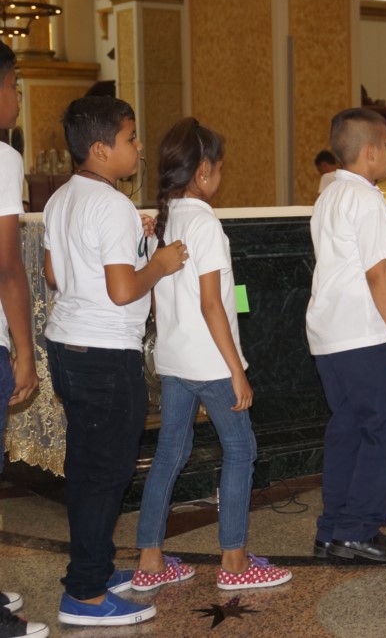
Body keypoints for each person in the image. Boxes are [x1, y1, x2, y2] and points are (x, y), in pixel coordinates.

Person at [43, 96, 188, 626]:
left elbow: (55, 273)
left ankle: (96, 569)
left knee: (88, 467)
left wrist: (132, 243)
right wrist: (161, 262)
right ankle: (84, 595)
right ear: (102, 150)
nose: (139, 146)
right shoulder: (111, 205)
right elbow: (123, 290)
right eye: (130, 138)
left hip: (68, 348)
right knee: (105, 474)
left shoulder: (63, 197)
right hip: (105, 354)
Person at [132, 118, 291, 592]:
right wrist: (236, 369)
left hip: (174, 358)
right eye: (219, 168)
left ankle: (150, 558)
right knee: (241, 450)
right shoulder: (204, 223)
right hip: (211, 362)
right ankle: (235, 562)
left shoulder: (164, 221)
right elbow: (212, 304)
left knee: (169, 454)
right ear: (203, 170)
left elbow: (159, 299)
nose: (219, 175)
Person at [307, 108, 386, 564]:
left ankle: (333, 530)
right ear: (370, 152)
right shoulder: (368, 200)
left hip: (329, 334)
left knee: (348, 429)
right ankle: (359, 530)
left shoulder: (330, 194)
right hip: (364, 332)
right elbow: (377, 275)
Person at [0, 42, 46, 638]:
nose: (17, 98)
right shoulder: (3, 158)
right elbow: (8, 266)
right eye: (14, 86)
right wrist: (25, 351)